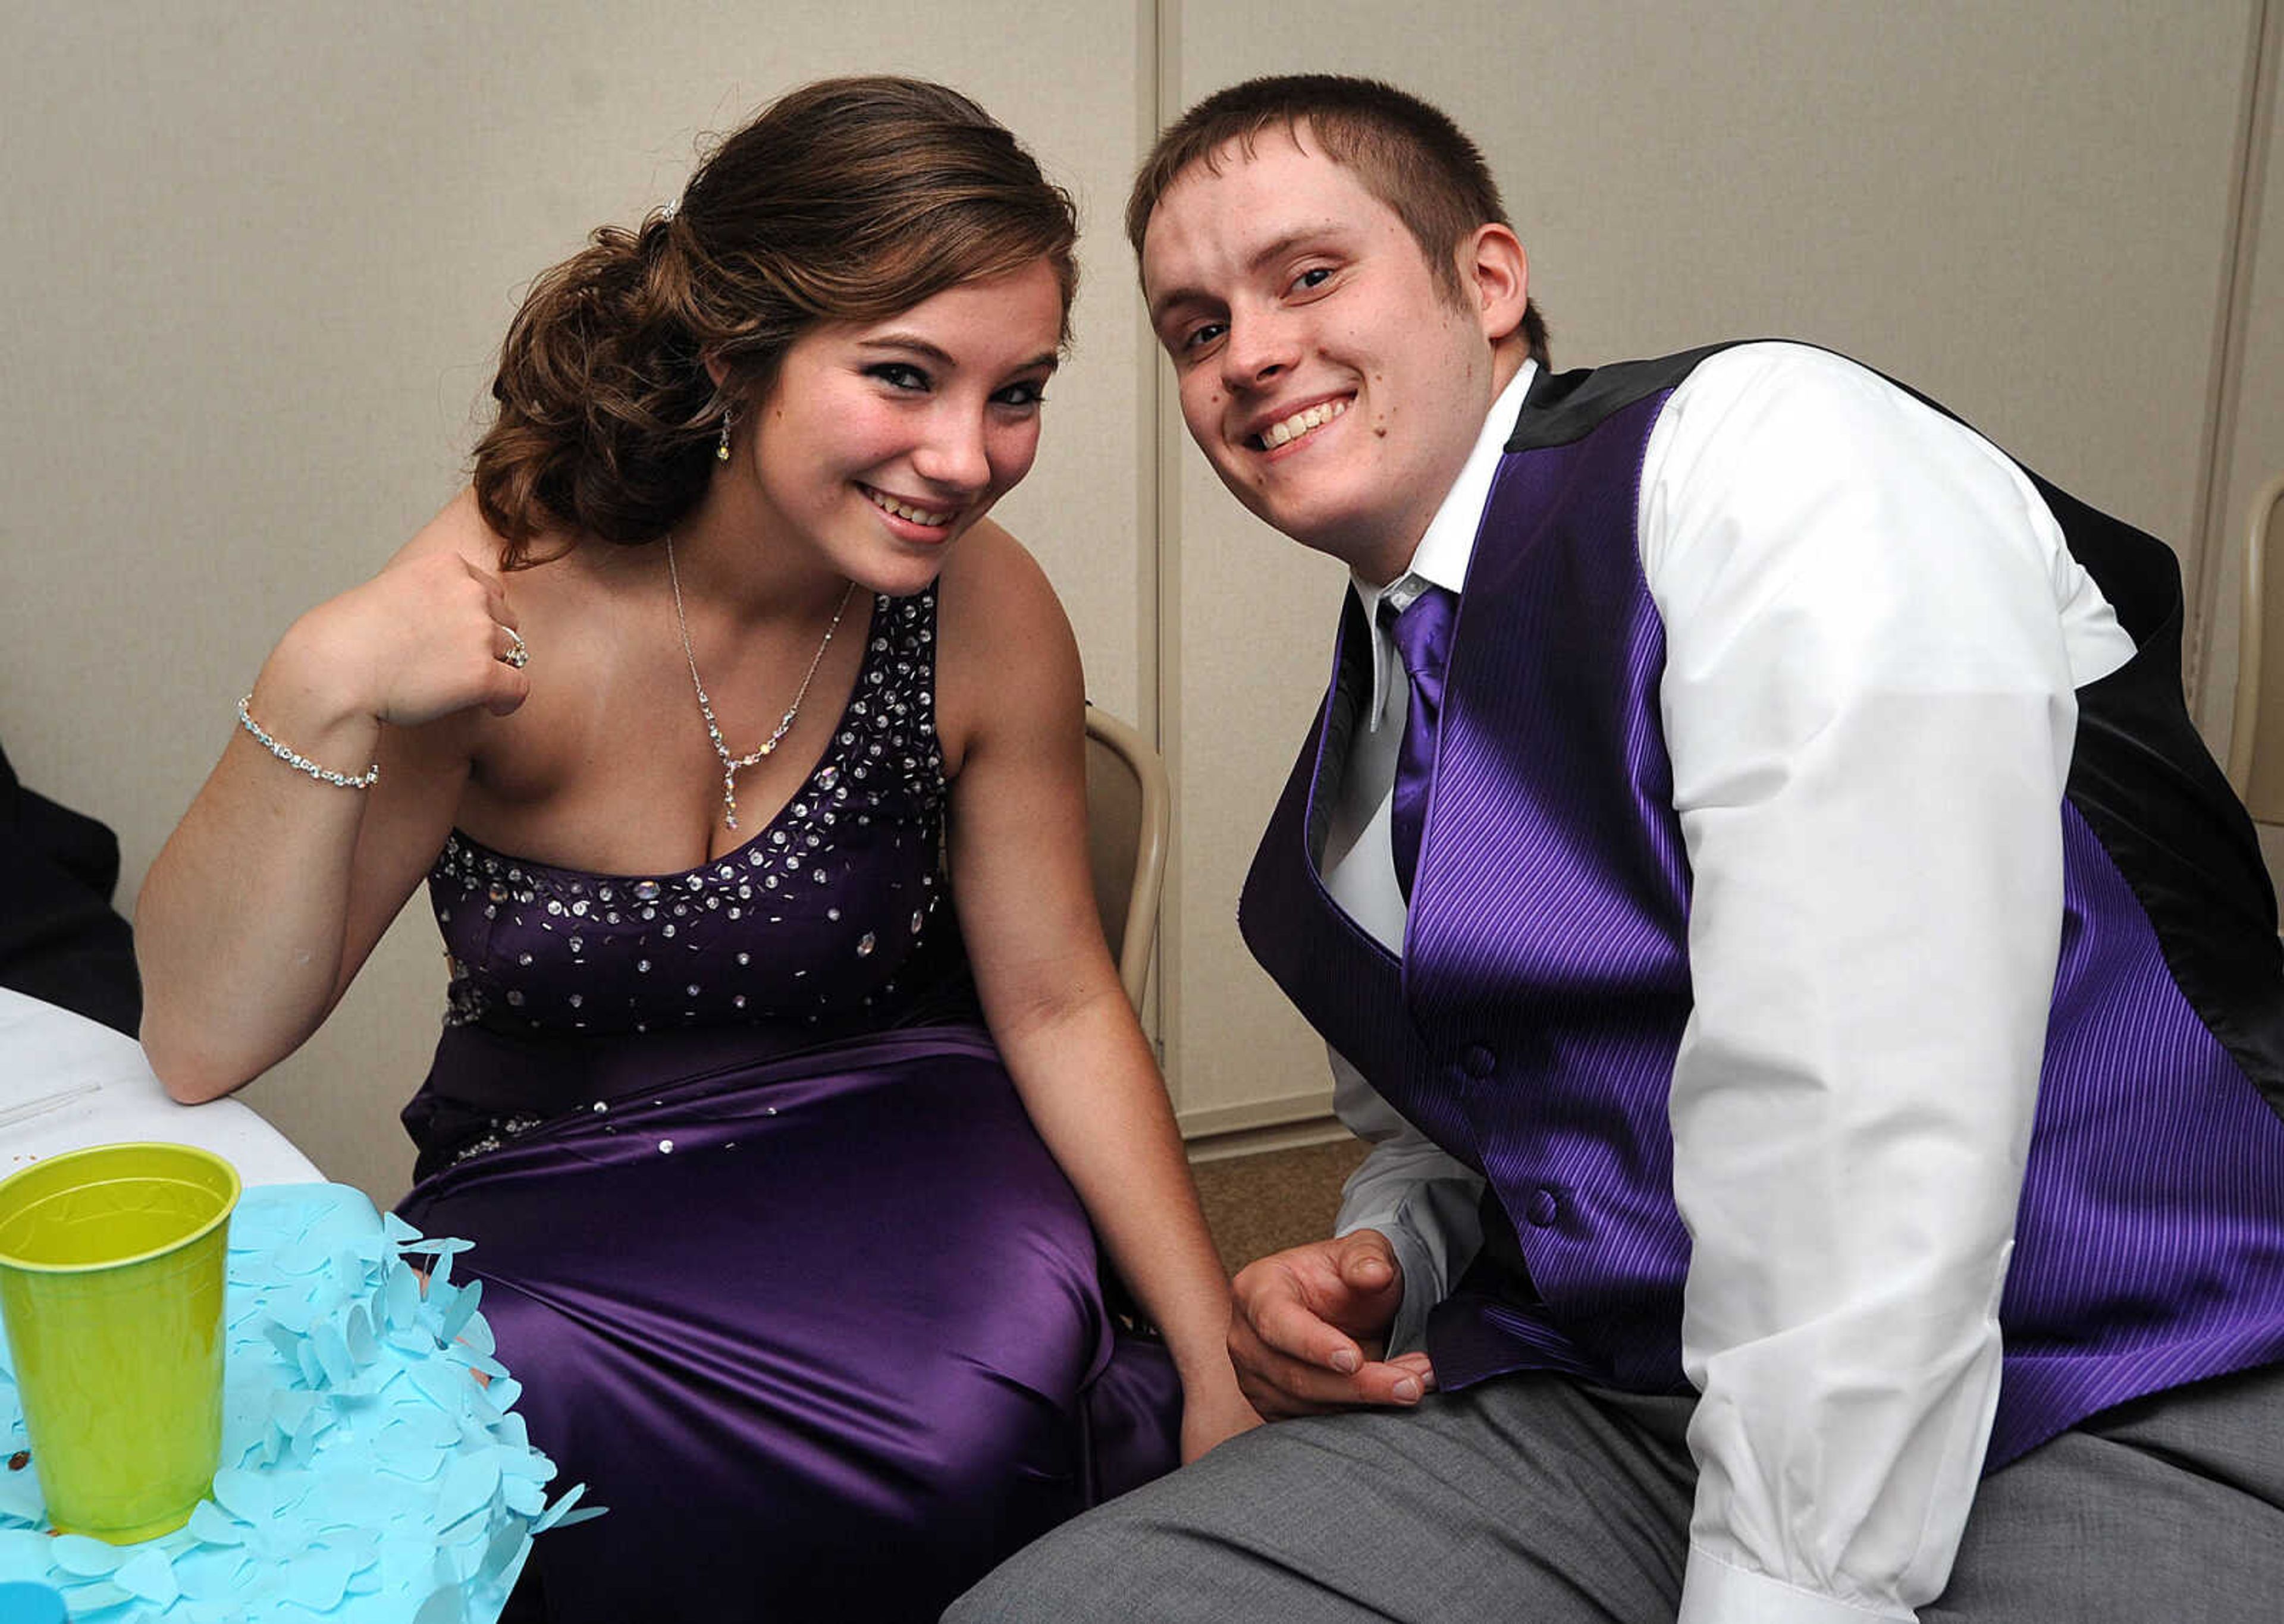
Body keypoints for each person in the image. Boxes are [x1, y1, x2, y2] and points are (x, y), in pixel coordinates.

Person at [950, 73, 2284, 1624]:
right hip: (1633, 1403)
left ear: (1488, 281)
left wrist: (1788, 1586)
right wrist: (1398, 1248)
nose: (1248, 352)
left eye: (1308, 275)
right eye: (1193, 328)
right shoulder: (1351, 760)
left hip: (2135, 1363)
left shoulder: (1769, 455)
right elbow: (1469, 1119)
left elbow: (1866, 1079)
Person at [134, 76, 1254, 1623]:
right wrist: (313, 678)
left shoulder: (984, 609)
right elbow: (200, 1039)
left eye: (1018, 390)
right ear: (739, 355)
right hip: (550, 1185)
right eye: (906, 376)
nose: (968, 455)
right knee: (469, 1431)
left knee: (957, 1416)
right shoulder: (504, 595)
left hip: (906, 1140)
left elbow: (1060, 1001)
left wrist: (1214, 1363)